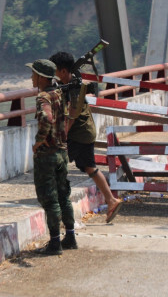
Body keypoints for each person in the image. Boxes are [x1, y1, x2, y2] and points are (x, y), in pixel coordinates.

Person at [49, 51, 122, 226]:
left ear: (64, 71)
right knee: (89, 168)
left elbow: (72, 115)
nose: (55, 75)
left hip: (79, 134)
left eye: (56, 71)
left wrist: (62, 135)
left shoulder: (75, 87)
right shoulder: (71, 82)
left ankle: (58, 203)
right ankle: (111, 200)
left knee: (57, 162)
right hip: (85, 132)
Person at [26, 58, 75, 255]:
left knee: (50, 199)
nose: (31, 78)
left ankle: (55, 243)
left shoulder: (44, 97)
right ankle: (70, 237)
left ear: (41, 77)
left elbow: (46, 118)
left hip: (48, 155)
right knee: (64, 196)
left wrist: (39, 140)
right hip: (62, 152)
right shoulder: (59, 93)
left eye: (33, 74)